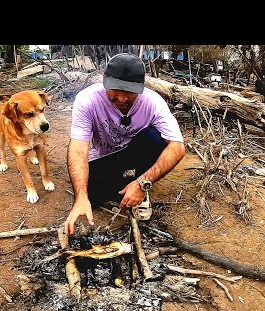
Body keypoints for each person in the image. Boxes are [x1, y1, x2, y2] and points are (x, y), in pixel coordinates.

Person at [64, 53, 186, 235]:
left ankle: (139, 188)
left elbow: (178, 147)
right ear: (104, 79)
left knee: (154, 137)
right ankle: (125, 184)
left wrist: (142, 183)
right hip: (108, 156)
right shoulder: (88, 100)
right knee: (90, 192)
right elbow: (78, 149)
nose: (121, 98)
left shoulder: (153, 103)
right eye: (115, 90)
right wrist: (81, 196)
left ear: (141, 87)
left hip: (137, 152)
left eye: (129, 92)